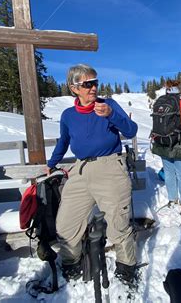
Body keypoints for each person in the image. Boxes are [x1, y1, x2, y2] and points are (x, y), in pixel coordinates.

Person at [46, 64, 139, 285]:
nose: (93, 87)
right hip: (80, 170)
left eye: (95, 82)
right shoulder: (68, 115)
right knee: (66, 224)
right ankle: (72, 262)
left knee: (118, 224)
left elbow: (131, 130)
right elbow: (64, 141)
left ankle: (126, 269)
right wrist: (52, 163)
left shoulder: (108, 105)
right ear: (74, 88)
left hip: (110, 168)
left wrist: (111, 115)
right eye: (87, 84)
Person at [151, 79, 181, 218]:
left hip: (162, 143)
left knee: (169, 172)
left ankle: (172, 200)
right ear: (179, 90)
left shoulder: (159, 103)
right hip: (179, 143)